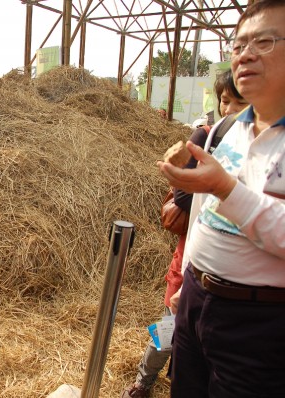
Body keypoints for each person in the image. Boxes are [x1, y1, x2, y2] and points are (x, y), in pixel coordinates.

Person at [157, 0, 285, 396]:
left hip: (258, 320)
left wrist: (225, 189)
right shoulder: (224, 131)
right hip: (197, 297)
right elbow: (204, 214)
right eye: (238, 45)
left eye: (264, 41)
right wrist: (190, 277)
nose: (245, 55)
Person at [121, 69, 249, 398]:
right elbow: (181, 196)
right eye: (225, 101)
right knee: (170, 323)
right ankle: (143, 380)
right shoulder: (206, 137)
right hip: (192, 251)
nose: (231, 110)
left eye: (241, 102)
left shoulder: (261, 147)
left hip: (235, 271)